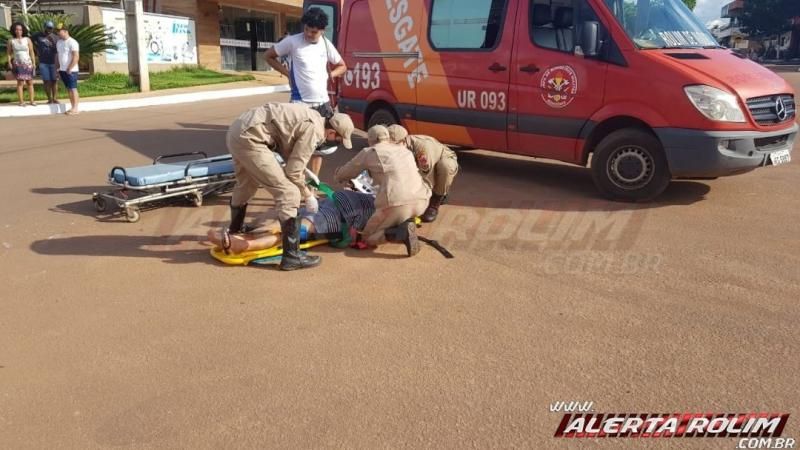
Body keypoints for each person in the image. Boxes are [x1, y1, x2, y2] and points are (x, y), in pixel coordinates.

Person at [226, 102, 354, 271]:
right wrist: (307, 194)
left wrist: (307, 175)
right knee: (289, 193)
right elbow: (293, 172)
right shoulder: (314, 131)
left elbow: (289, 154)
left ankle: (235, 229)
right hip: (252, 139)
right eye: (337, 140)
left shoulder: (313, 116)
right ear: (331, 132)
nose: (335, 143)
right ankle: (292, 257)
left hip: (238, 130)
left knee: (247, 184)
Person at [265, 7, 347, 176]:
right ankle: (298, 179)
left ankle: (313, 181)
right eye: (307, 30)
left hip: (322, 104)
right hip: (299, 104)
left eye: (314, 32)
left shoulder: (325, 43)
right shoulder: (292, 41)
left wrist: (330, 74)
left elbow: (342, 66)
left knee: (319, 147)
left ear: (322, 30)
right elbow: (268, 56)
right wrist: (287, 73)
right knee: (295, 146)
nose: (309, 34)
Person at [334, 125, 431, 256]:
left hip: (397, 204)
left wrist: (338, 174)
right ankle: (405, 222)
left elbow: (347, 172)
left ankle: (400, 233)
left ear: (370, 139)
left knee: (367, 237)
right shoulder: (404, 150)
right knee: (396, 214)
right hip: (422, 201)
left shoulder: (370, 152)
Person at [209, 189, 375, 255]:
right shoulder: (375, 210)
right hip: (339, 215)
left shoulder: (367, 196)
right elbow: (353, 234)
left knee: (289, 221)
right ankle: (244, 245)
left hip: (330, 200)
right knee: (291, 233)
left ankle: (241, 235)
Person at [388, 125, 459, 223]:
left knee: (445, 167)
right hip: (419, 165)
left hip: (442, 159)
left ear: (403, 141)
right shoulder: (396, 147)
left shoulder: (422, 149)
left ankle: (435, 202)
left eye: (394, 145)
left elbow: (427, 178)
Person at [6, 22, 36, 107]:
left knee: (30, 82)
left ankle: (32, 101)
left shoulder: (27, 40)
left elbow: (32, 52)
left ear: (23, 31)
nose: (18, 31)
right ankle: (21, 101)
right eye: (16, 30)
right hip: (18, 64)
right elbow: (8, 53)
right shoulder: (11, 41)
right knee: (20, 83)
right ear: (14, 31)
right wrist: (9, 62)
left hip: (28, 63)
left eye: (20, 30)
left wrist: (34, 63)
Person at [32, 21, 59, 104]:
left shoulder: (55, 37)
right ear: (44, 27)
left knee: (54, 81)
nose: (49, 30)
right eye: (47, 28)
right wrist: (36, 49)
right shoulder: (37, 35)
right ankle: (49, 99)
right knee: (46, 81)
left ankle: (54, 98)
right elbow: (30, 41)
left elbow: (58, 49)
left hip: (53, 62)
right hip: (43, 62)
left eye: (51, 28)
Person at [56, 24, 80, 115]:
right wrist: (57, 67)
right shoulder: (59, 42)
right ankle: (72, 106)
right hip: (62, 69)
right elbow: (58, 55)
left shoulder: (73, 42)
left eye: (59, 31)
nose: (58, 33)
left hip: (71, 70)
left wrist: (70, 68)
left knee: (73, 88)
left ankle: (76, 108)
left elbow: (76, 56)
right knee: (69, 89)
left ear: (65, 31)